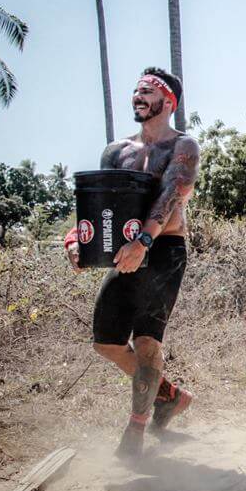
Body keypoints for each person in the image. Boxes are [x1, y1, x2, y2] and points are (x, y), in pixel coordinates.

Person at [65, 67, 200, 458]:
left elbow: (172, 195)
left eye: (146, 90)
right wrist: (77, 241)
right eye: (135, 90)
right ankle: (169, 395)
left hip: (164, 250)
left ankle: (136, 429)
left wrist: (143, 240)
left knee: (145, 341)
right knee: (106, 343)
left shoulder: (183, 145)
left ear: (167, 101)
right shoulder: (116, 150)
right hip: (123, 252)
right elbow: (98, 202)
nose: (137, 96)